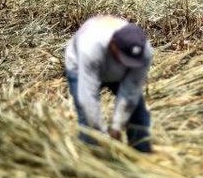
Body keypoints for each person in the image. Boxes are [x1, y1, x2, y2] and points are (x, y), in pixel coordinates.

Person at [64, 15, 154, 152]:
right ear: (113, 44)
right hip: (79, 66)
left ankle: (142, 157)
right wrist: (103, 135)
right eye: (124, 58)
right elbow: (88, 99)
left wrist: (116, 127)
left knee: (138, 115)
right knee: (87, 122)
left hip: (118, 73)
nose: (126, 63)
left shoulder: (143, 52)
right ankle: (92, 161)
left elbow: (130, 91)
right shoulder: (91, 47)